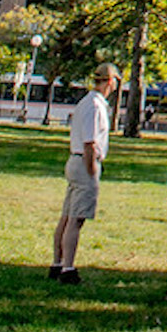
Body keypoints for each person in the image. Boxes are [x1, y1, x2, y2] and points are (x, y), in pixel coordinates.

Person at [49, 63, 121, 285]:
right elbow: (90, 142)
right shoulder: (95, 106)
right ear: (110, 81)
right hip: (84, 162)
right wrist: (92, 169)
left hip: (76, 160)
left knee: (67, 215)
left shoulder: (87, 102)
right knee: (76, 219)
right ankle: (68, 268)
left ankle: (57, 263)